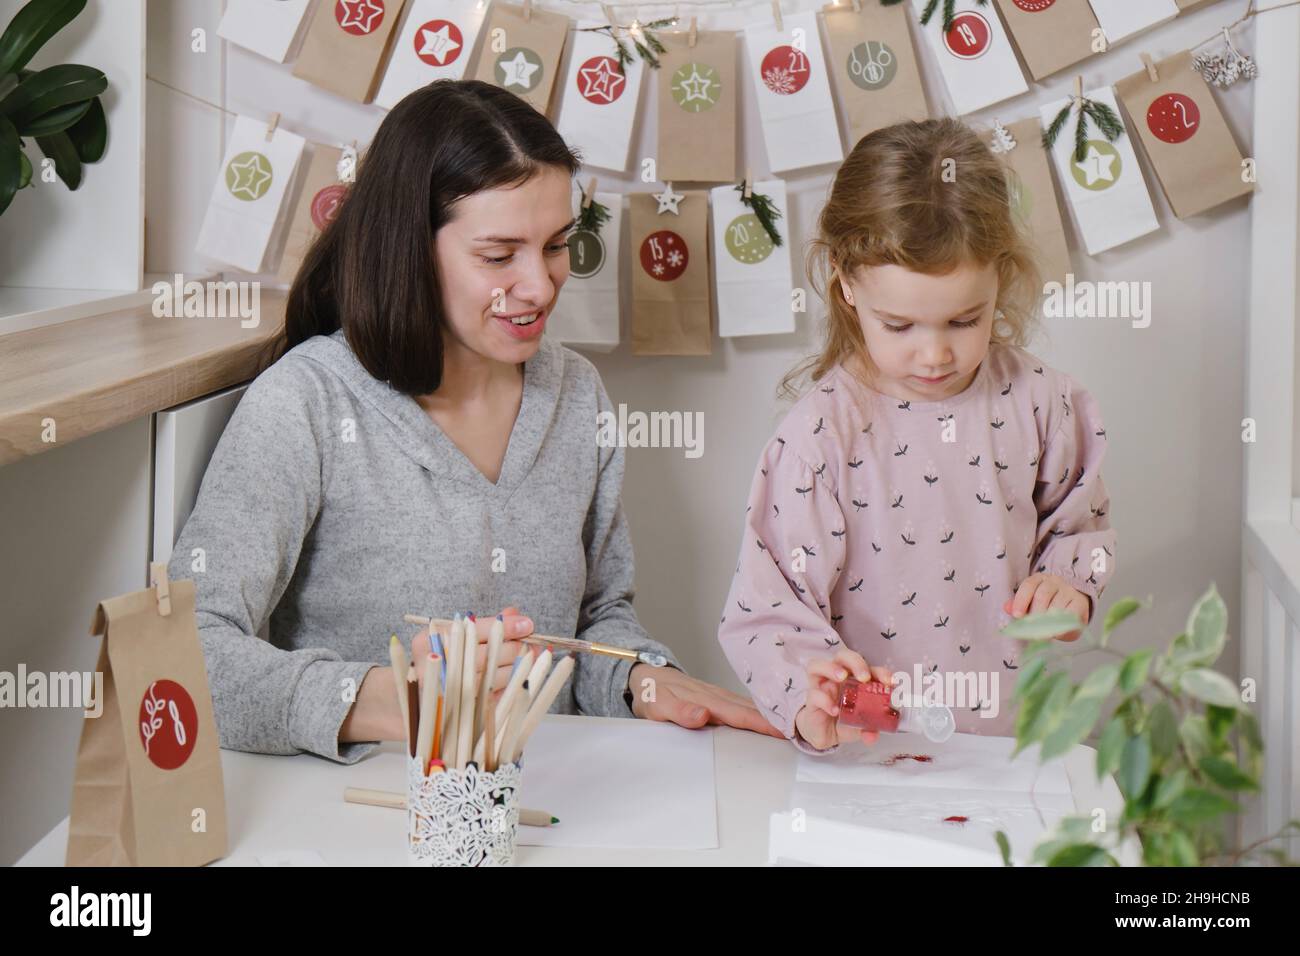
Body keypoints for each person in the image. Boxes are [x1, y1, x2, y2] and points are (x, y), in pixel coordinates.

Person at [168, 79, 778, 764]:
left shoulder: (576, 393)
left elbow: (597, 622)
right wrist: (396, 697)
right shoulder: (306, 404)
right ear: (410, 248)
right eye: (498, 256)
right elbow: (187, 655)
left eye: (556, 246)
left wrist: (643, 681)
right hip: (359, 823)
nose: (541, 286)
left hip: (552, 804)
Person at [717, 118, 1117, 753]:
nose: (935, 354)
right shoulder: (819, 441)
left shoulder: (1045, 405)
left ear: (1000, 281)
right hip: (872, 751)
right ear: (847, 284)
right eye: (899, 325)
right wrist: (811, 697)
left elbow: (1080, 532)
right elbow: (768, 610)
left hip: (1013, 745)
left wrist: (1070, 591)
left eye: (965, 319)